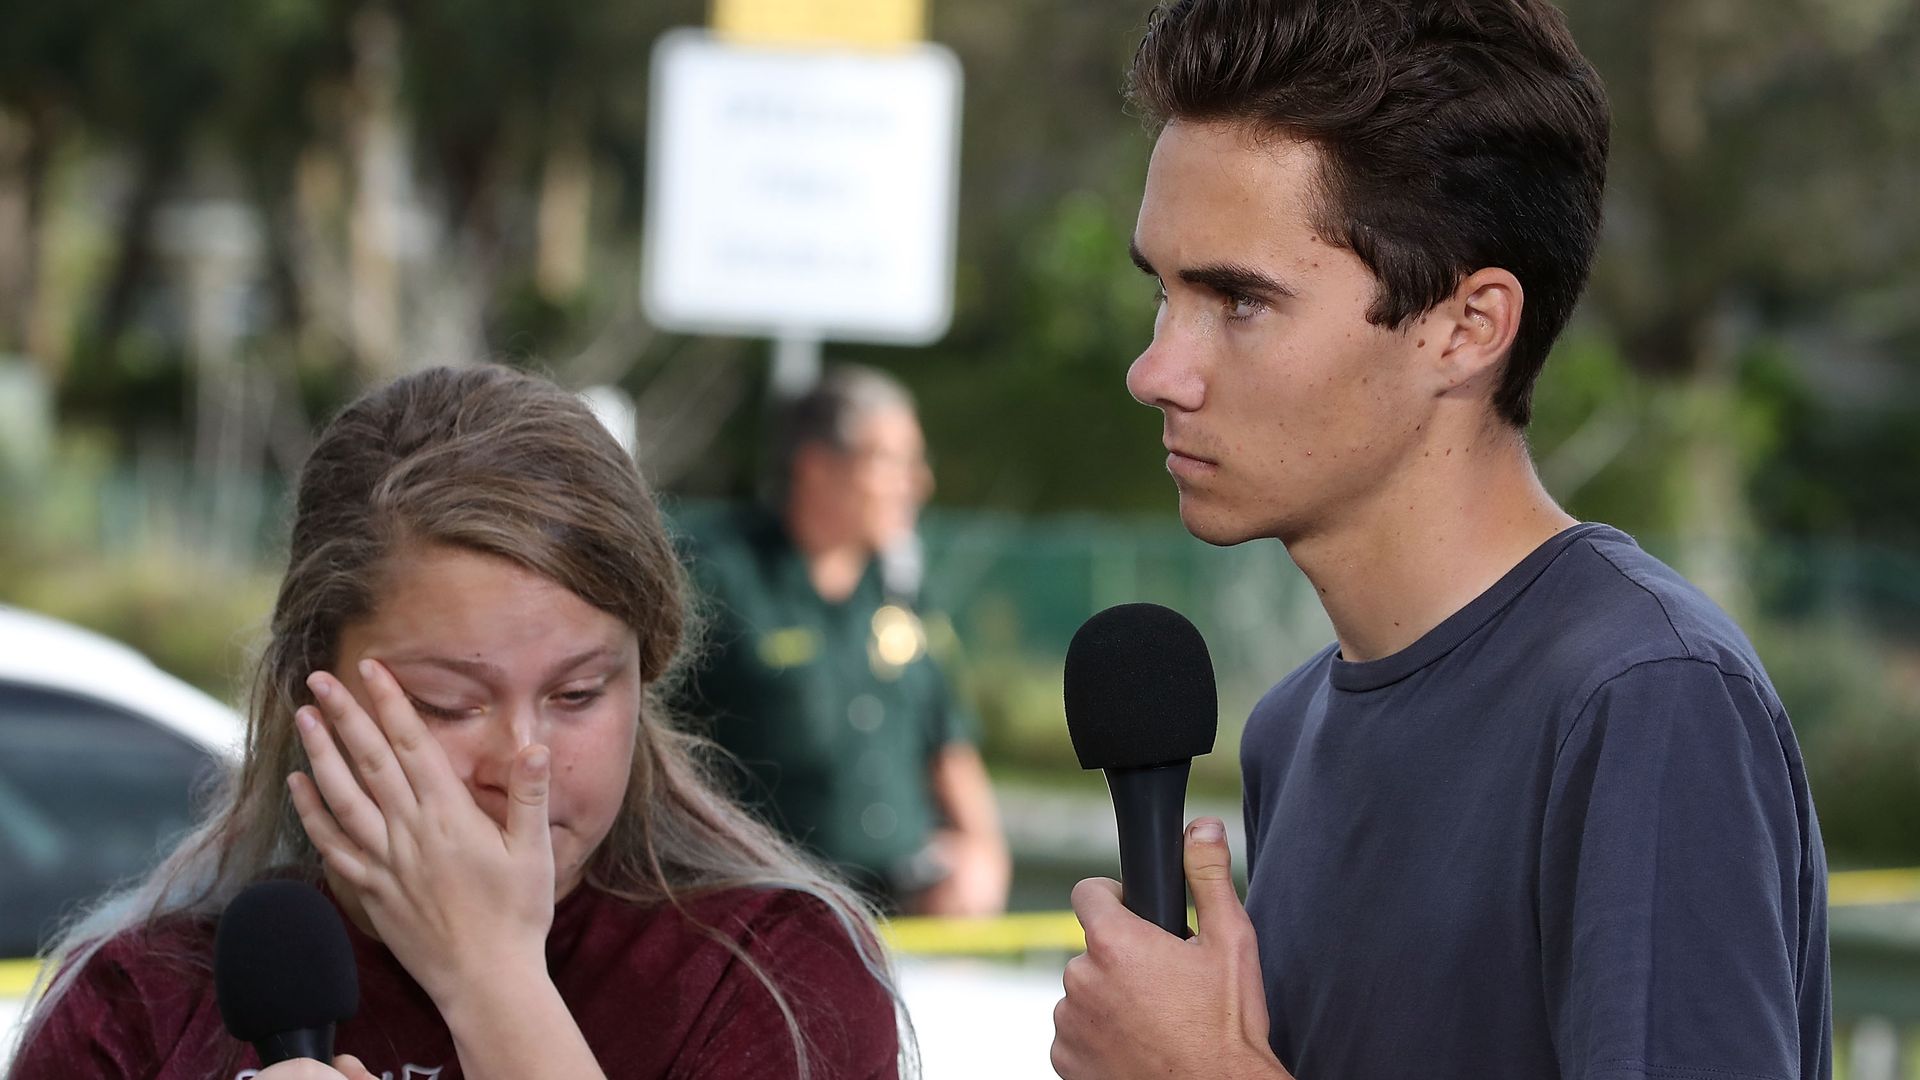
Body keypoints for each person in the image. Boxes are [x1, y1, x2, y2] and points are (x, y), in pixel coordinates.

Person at [1050, 2, 1831, 1079]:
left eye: (1237, 300)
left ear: (1468, 327)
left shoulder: (1647, 698)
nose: (1156, 371)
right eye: (1165, 291)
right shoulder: (1290, 731)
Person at [9, 365, 904, 1080]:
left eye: (579, 694)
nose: (523, 762)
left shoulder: (770, 973)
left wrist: (492, 981)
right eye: (446, 704)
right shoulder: (140, 1004)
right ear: (309, 688)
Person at [673, 365, 1010, 917]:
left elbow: (946, 737)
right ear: (816, 467)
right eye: (891, 461)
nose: (917, 482)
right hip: (759, 909)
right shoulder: (715, 575)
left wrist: (982, 854)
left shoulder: (899, 589)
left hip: (905, 911)